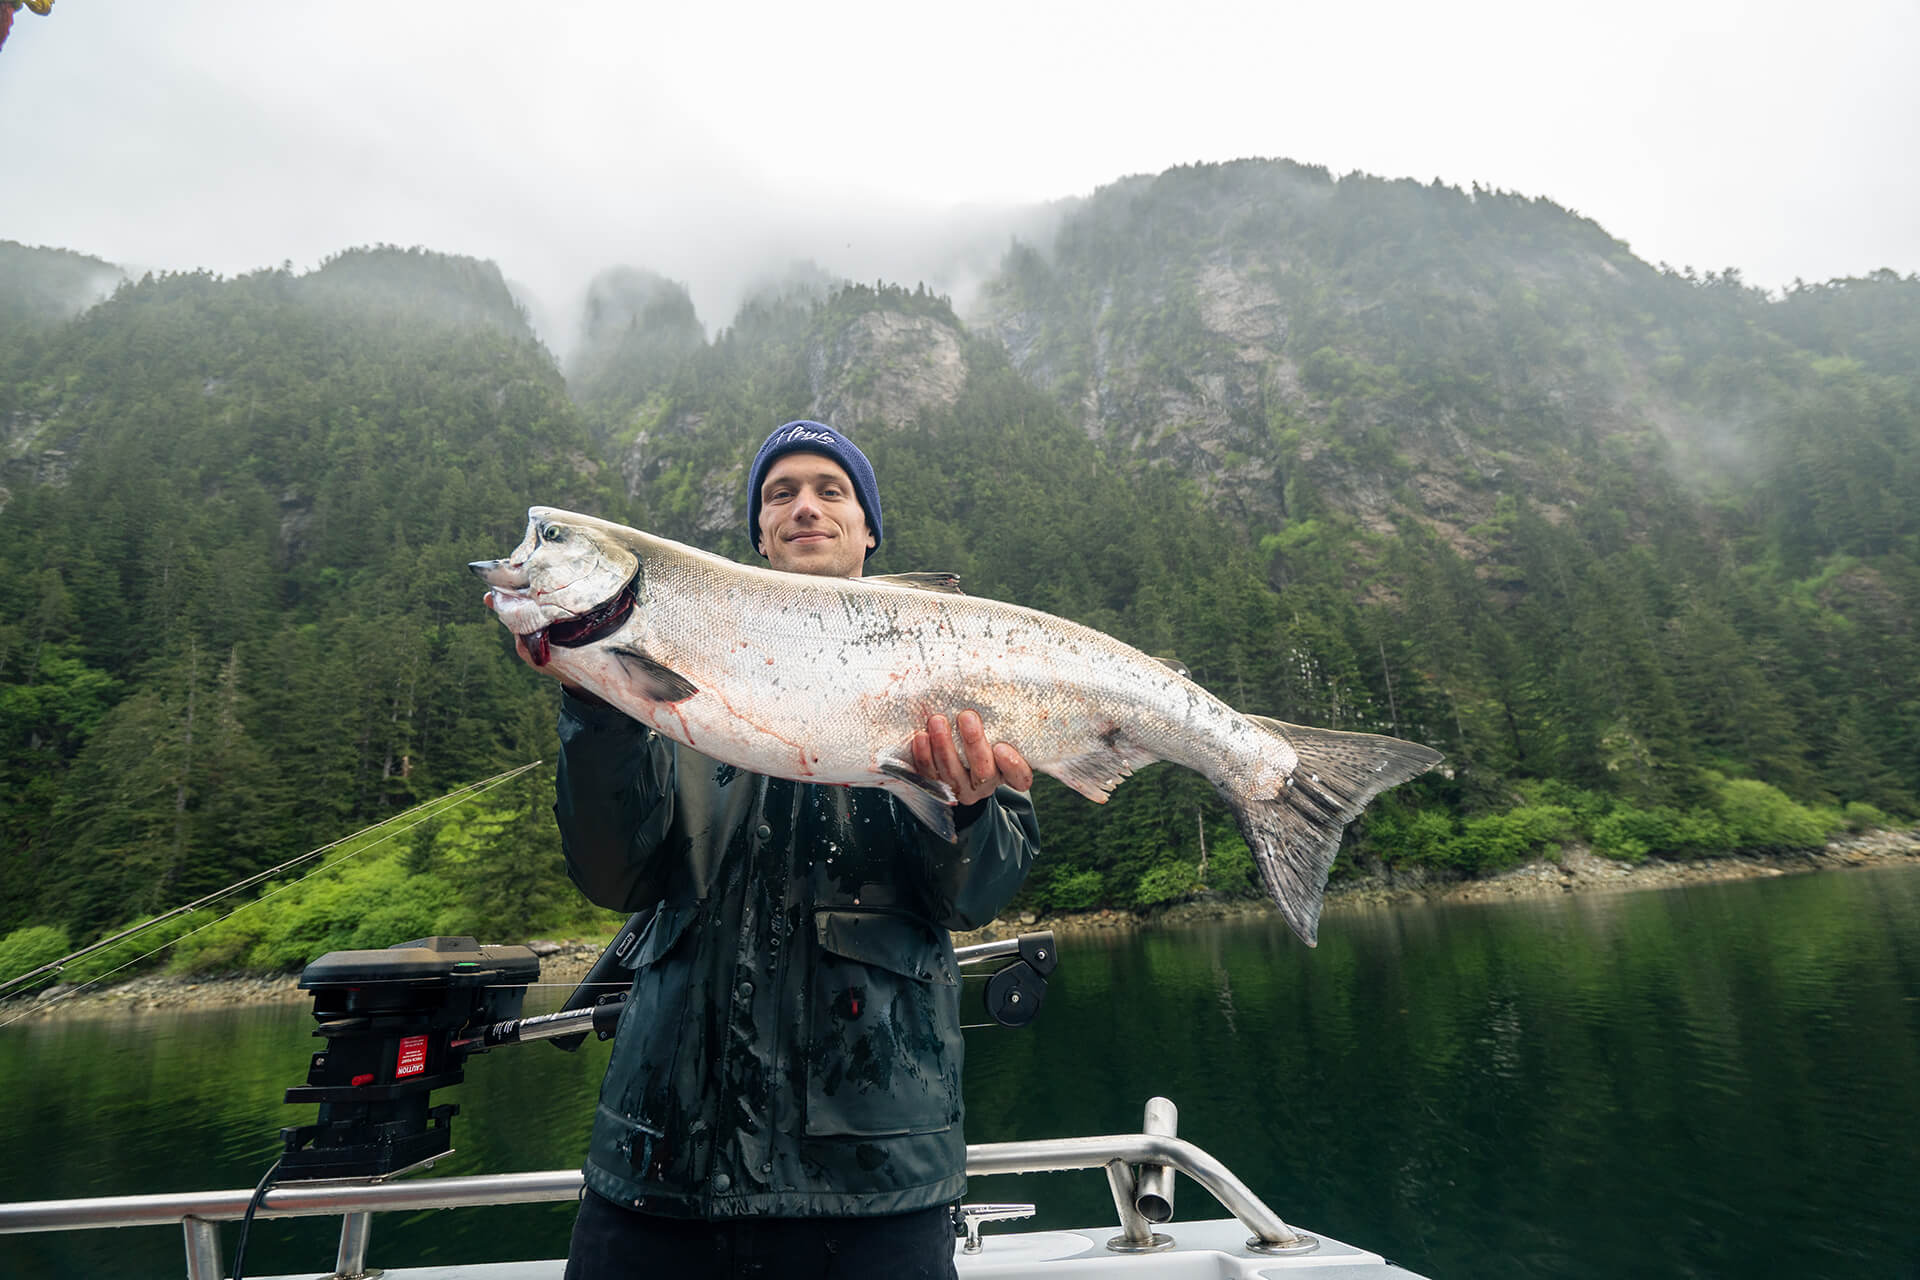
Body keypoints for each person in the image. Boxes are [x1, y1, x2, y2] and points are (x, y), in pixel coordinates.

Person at [524, 420, 1041, 1279]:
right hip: (659, 1173)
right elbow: (611, 872)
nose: (805, 506)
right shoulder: (670, 684)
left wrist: (971, 808)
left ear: (868, 529)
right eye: (780, 494)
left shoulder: (958, 670)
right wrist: (599, 703)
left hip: (874, 1185)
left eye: (830, 490)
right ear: (759, 534)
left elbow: (975, 898)